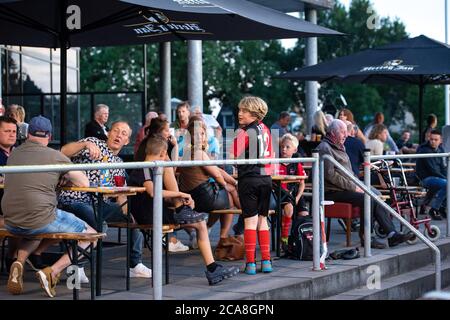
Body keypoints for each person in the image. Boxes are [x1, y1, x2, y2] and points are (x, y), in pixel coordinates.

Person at [2, 115, 96, 298]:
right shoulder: (56, 156)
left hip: (10, 219)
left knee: (35, 229)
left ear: (27, 134)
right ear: (50, 136)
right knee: (91, 236)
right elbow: (84, 182)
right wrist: (63, 175)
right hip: (39, 216)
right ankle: (52, 272)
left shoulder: (14, 154)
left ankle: (19, 261)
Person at [129, 135, 239, 285]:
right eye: (166, 154)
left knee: (200, 224)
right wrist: (180, 194)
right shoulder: (145, 166)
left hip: (154, 209)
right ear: (162, 153)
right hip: (148, 214)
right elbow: (153, 192)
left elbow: (157, 194)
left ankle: (213, 269)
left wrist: (178, 197)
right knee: (198, 221)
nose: (167, 158)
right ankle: (181, 209)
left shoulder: (151, 166)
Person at [59, 121, 152, 278]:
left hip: (101, 203)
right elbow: (63, 152)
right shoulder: (94, 142)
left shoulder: (119, 164)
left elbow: (120, 191)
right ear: (108, 133)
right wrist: (85, 144)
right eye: (116, 131)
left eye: (123, 133)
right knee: (99, 225)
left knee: (133, 220)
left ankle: (135, 264)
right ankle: (76, 267)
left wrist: (127, 213)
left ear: (127, 141)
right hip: (76, 199)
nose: (118, 135)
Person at [317, 119, 414, 249]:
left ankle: (392, 235)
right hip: (332, 191)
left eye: (346, 132)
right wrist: (354, 187)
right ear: (333, 133)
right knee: (367, 197)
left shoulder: (339, 145)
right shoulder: (325, 148)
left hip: (345, 188)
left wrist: (358, 184)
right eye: (342, 132)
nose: (346, 135)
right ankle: (366, 238)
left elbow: (347, 173)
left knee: (376, 195)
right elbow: (330, 176)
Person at [178, 116, 240, 244]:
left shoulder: (185, 151)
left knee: (228, 193)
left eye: (202, 133)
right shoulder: (199, 153)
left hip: (191, 197)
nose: (200, 137)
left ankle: (210, 229)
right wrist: (226, 185)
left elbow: (219, 171)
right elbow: (217, 175)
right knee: (229, 198)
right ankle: (223, 237)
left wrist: (233, 183)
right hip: (202, 198)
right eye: (196, 134)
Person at [135, 118, 190, 252]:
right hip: (146, 202)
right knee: (174, 206)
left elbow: (172, 168)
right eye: (166, 129)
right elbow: (172, 168)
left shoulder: (152, 144)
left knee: (178, 206)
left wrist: (175, 146)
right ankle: (172, 236)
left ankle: (173, 233)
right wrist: (179, 194)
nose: (169, 132)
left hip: (151, 194)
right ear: (159, 131)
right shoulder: (154, 147)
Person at [232, 96, 274, 275]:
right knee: (263, 220)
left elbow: (234, 154)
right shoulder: (265, 129)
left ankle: (250, 263)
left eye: (244, 111)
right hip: (266, 178)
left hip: (249, 178)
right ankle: (266, 261)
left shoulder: (244, 132)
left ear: (254, 113)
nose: (239, 113)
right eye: (240, 110)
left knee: (250, 220)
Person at [275, 134, 309, 247]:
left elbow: (302, 183)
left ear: (295, 149)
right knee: (289, 208)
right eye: (282, 147)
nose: (284, 149)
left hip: (295, 194)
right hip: (281, 193)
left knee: (304, 214)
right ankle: (284, 238)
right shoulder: (276, 163)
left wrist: (298, 197)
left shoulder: (296, 163)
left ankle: (296, 238)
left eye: (287, 147)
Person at [0, 116, 18, 270]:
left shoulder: (20, 153)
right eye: (7, 131)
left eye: (14, 131)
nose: (12, 134)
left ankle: (13, 257)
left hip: (16, 205)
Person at [416, 130, 447, 220]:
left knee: (446, 183)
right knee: (447, 184)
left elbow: (443, 168)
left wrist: (447, 177)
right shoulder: (424, 150)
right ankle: (434, 209)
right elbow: (432, 170)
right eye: (431, 139)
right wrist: (446, 178)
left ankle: (442, 207)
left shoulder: (441, 150)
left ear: (440, 140)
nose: (433, 141)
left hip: (437, 178)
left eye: (435, 139)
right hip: (425, 179)